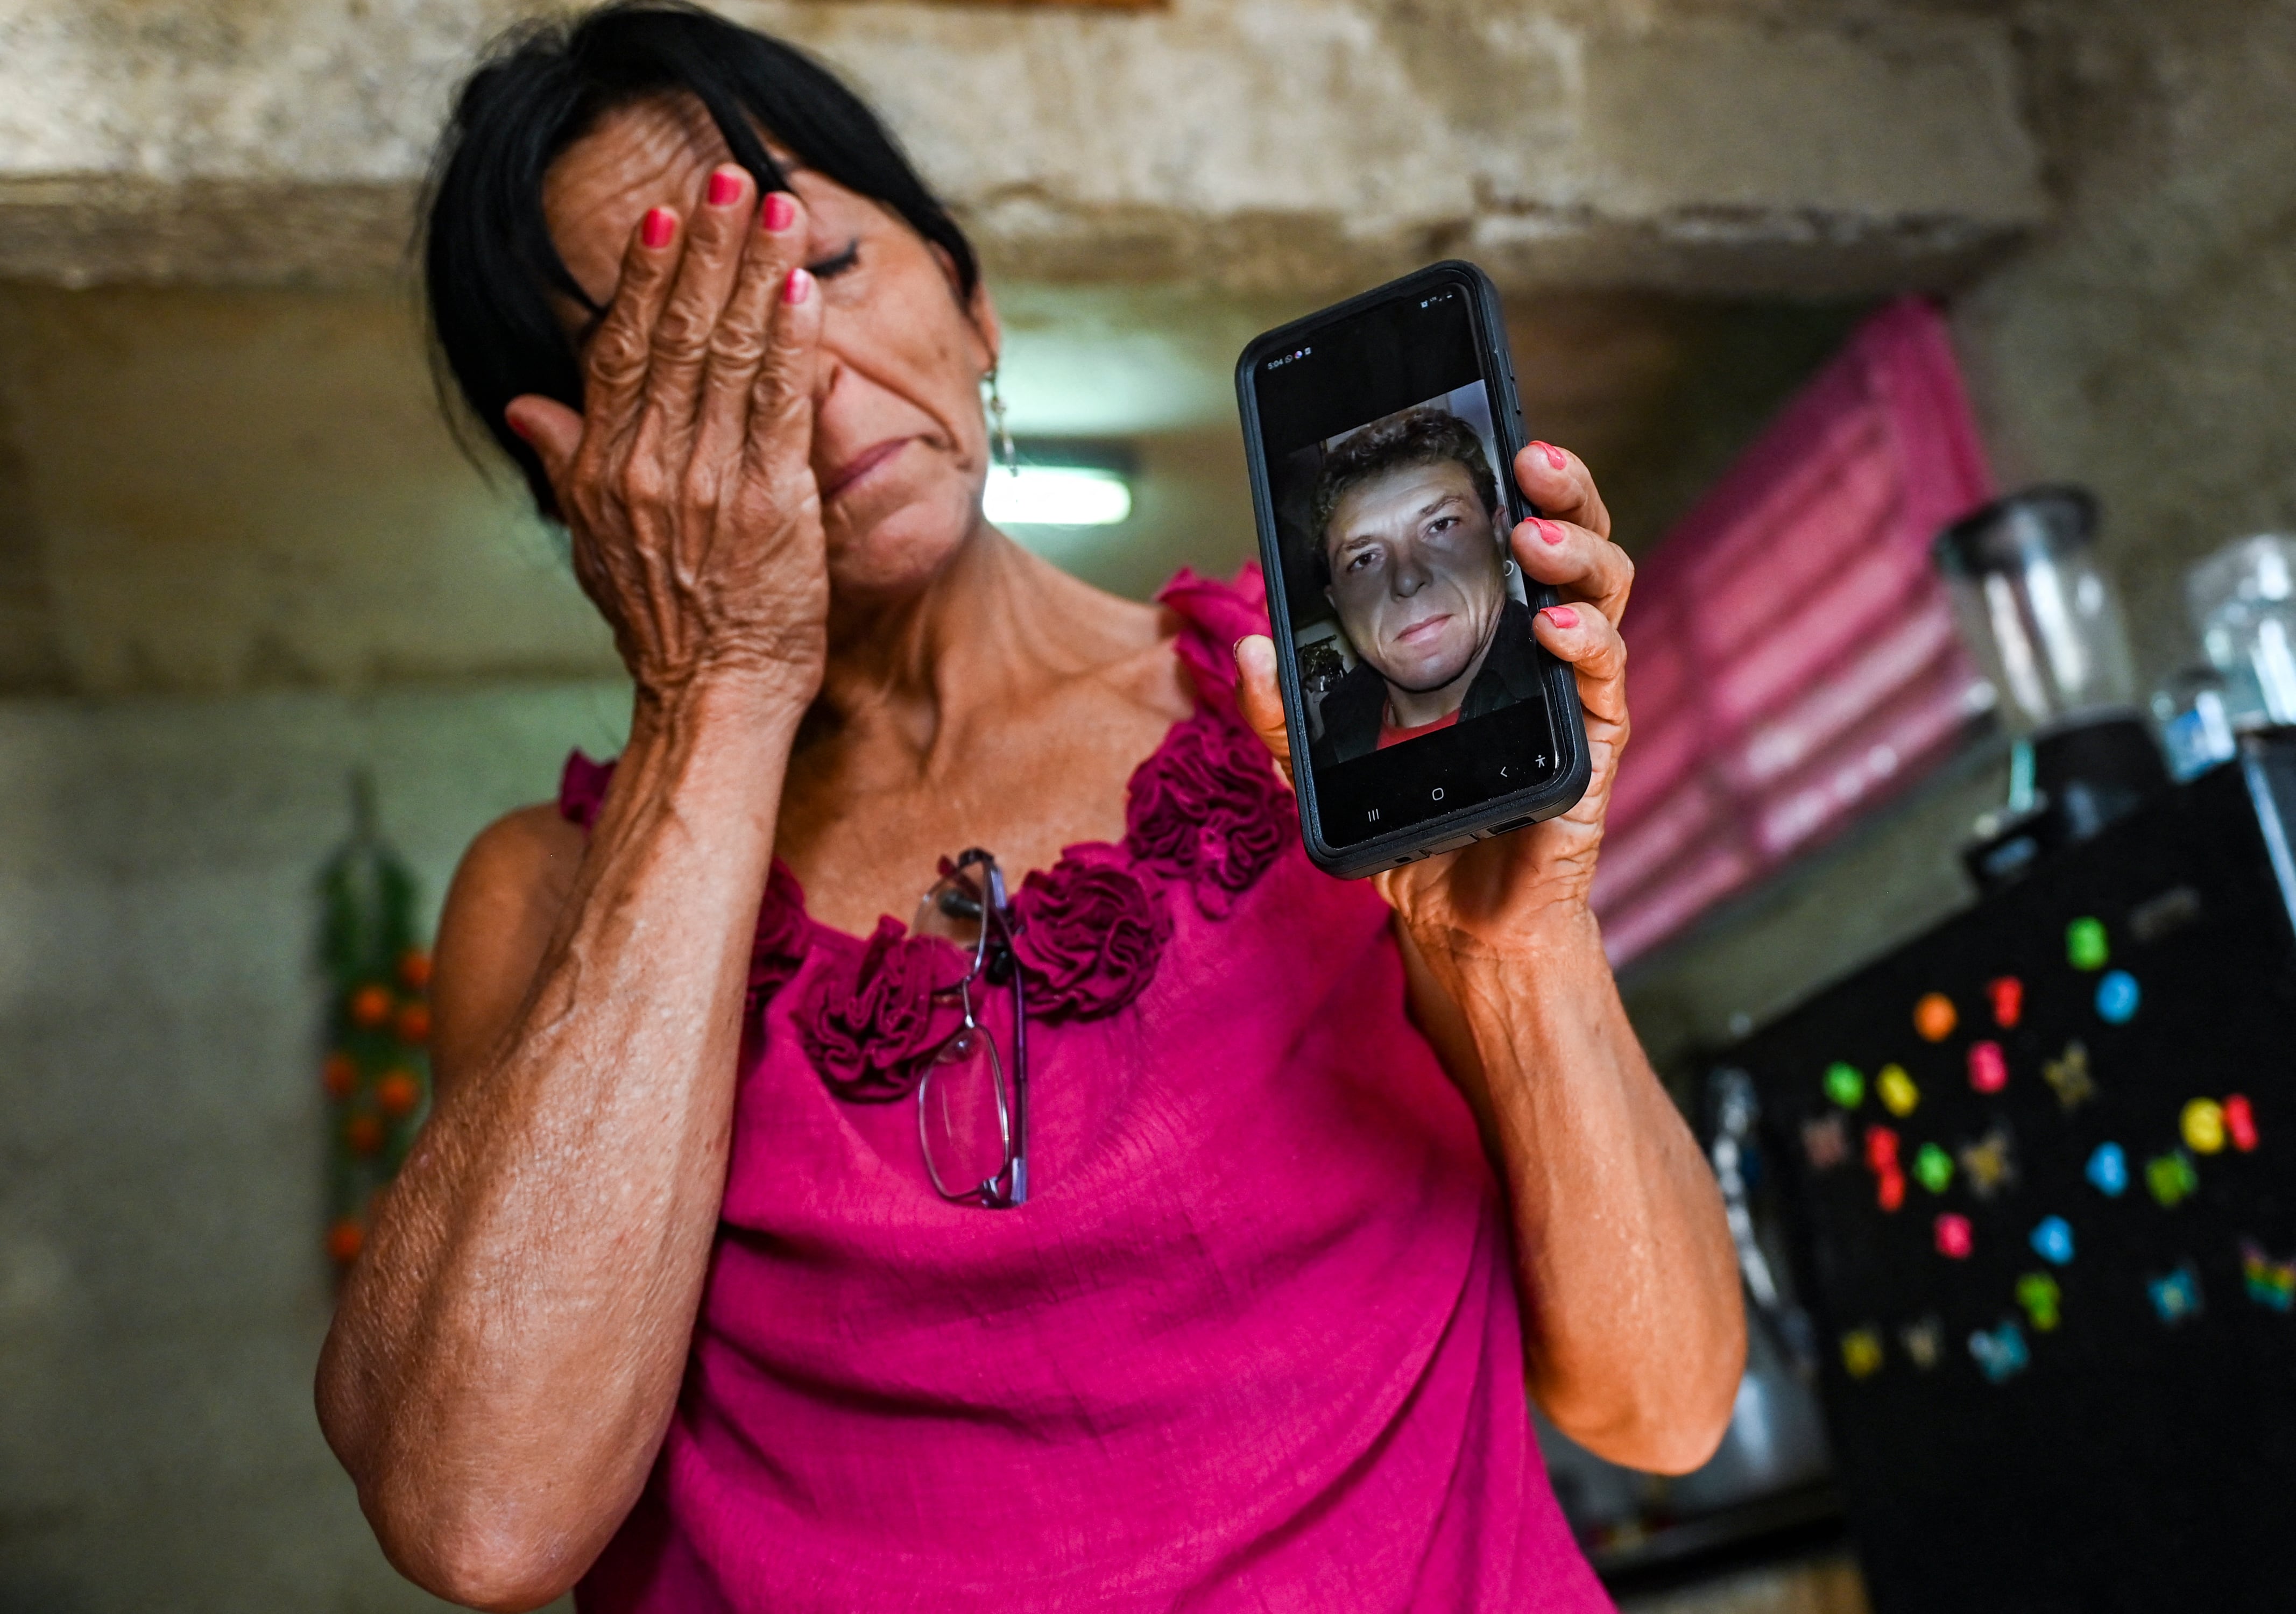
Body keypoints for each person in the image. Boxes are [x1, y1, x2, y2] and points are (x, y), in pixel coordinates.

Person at [314, 5, 1745, 1610]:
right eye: (685, 359)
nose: (804, 376)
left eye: (829, 265)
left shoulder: (1305, 715)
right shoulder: (551, 894)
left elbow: (1664, 1404)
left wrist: (1520, 958)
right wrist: (718, 681)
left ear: (970, 296)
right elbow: (482, 1517)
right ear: (580, 482)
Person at [1308, 406, 1543, 767]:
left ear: (1498, 533)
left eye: (1441, 525)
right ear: (1336, 601)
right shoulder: (1321, 766)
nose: (1406, 579)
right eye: (1364, 558)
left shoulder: (1576, 691)